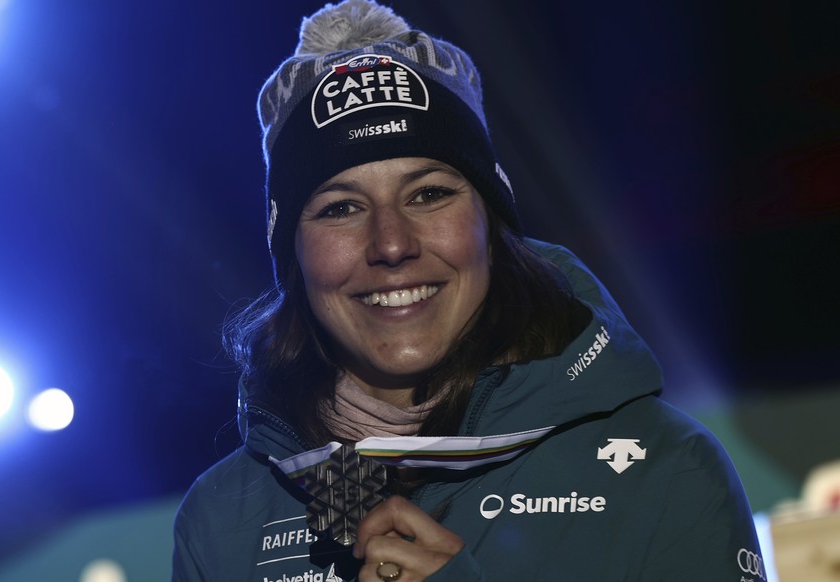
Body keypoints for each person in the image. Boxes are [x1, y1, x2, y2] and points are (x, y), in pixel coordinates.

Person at [172, 1, 764, 580]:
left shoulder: (663, 468)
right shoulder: (224, 519)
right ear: (293, 253)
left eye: (428, 194)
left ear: (491, 223)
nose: (392, 243)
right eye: (341, 208)